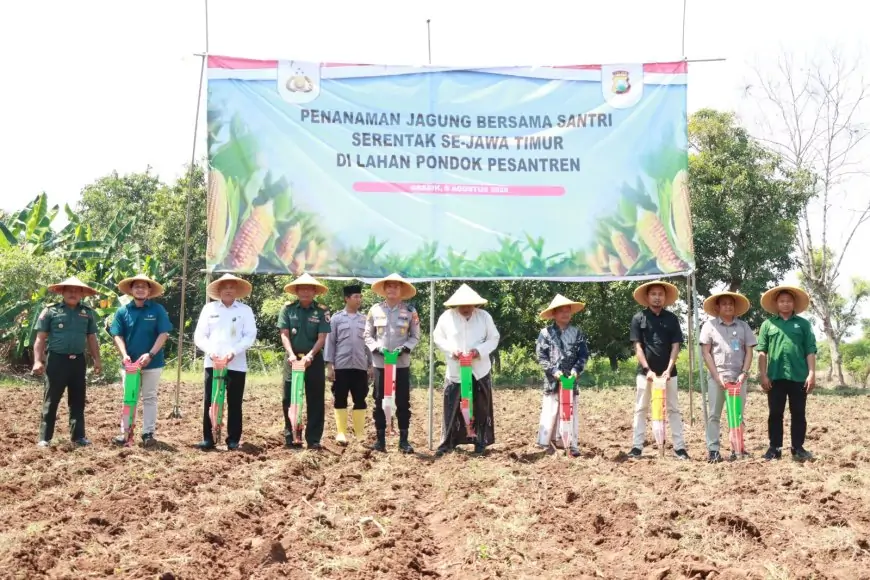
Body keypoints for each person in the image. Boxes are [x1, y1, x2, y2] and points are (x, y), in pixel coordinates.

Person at [32, 276, 102, 448]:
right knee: (51, 399)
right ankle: (44, 438)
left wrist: (97, 360)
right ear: (62, 292)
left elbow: (91, 338)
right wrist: (37, 361)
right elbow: (40, 338)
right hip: (57, 361)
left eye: (77, 290)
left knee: (78, 400)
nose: (73, 293)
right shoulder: (50, 311)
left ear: (82, 294)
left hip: (78, 361)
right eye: (69, 290)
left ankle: (78, 437)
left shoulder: (87, 313)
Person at [432, 284, 500, 456]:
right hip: (456, 368)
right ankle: (448, 442)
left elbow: (494, 338)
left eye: (469, 304)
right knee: (452, 405)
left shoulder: (484, 317)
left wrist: (479, 351)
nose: (466, 308)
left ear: (475, 304)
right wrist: (451, 351)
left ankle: (480, 441)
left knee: (480, 406)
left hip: (479, 368)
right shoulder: (447, 317)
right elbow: (438, 337)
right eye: (462, 305)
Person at [193, 273, 257, 450]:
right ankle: (208, 438)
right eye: (225, 287)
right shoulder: (209, 309)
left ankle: (233, 439)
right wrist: (211, 352)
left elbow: (250, 335)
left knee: (234, 402)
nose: (228, 290)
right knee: (210, 400)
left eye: (232, 287)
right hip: (212, 362)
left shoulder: (245, 311)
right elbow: (199, 336)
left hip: (236, 363)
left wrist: (233, 352)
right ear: (219, 290)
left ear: (236, 290)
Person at [627, 280, 689, 460]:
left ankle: (679, 447)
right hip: (645, 373)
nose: (657, 297)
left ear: (665, 297)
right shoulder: (639, 318)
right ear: (647, 297)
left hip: (669, 373)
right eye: (653, 294)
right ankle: (637, 446)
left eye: (660, 294)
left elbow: (676, 346)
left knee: (673, 409)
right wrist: (648, 370)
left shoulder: (672, 319)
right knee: (641, 408)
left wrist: (669, 370)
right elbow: (638, 347)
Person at [109, 274, 173, 446]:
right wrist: (124, 355)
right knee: (129, 397)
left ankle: (148, 433)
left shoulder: (157, 310)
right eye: (136, 286)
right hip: (129, 365)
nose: (140, 289)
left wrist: (150, 354)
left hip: (153, 363)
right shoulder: (123, 311)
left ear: (149, 290)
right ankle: (125, 433)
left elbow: (164, 333)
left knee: (150, 397)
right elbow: (117, 334)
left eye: (144, 286)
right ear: (131, 290)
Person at [756, 285, 817, 461]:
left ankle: (798, 447)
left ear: (794, 303)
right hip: (774, 377)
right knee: (775, 413)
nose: (785, 304)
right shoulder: (768, 325)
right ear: (776, 304)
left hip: (799, 376)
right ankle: (774, 448)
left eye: (788, 301)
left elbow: (810, 350)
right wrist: (763, 374)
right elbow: (762, 352)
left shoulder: (804, 324)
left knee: (798, 413)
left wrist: (811, 373)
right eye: (782, 301)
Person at [364, 273, 420, 453]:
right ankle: (380, 440)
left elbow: (415, 336)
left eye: (396, 286)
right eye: (389, 286)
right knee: (379, 399)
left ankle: (403, 440)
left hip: (401, 363)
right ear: (384, 289)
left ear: (402, 290)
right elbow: (367, 335)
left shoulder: (410, 311)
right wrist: (377, 348)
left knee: (403, 401)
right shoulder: (374, 310)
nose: (392, 289)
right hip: (381, 363)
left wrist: (405, 348)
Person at [699, 291, 757, 463]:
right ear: (717, 307)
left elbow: (749, 352)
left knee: (737, 414)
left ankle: (737, 447)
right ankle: (713, 449)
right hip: (718, 378)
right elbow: (706, 353)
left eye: (731, 304)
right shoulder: (709, 326)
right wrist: (717, 377)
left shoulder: (743, 327)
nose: (728, 307)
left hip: (739, 379)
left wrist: (744, 374)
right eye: (724, 304)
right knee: (714, 415)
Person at [278, 273, 331, 449]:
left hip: (313, 360)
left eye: (309, 288)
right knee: (289, 397)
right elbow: (284, 334)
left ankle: (314, 438)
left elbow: (322, 337)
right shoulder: (288, 309)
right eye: (302, 288)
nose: (305, 291)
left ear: (315, 291)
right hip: (292, 358)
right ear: (296, 291)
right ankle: (292, 434)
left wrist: (310, 355)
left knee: (315, 398)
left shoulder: (322, 311)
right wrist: (291, 355)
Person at [534, 294, 589, 457]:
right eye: (561, 311)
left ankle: (571, 444)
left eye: (568, 311)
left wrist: (576, 370)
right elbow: (541, 357)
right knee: (551, 410)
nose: (565, 314)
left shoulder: (577, 333)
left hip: (571, 378)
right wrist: (553, 371)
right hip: (552, 379)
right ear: (554, 314)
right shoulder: (545, 333)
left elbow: (583, 355)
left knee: (570, 410)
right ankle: (545, 444)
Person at [324, 283, 372, 446]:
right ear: (347, 298)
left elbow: (368, 344)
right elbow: (330, 343)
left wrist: (371, 365)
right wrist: (330, 366)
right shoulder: (336, 319)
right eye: (356, 296)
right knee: (340, 398)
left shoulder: (364, 320)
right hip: (341, 366)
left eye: (360, 296)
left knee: (360, 398)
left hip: (360, 365)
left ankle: (359, 434)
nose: (359, 299)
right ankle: (341, 432)